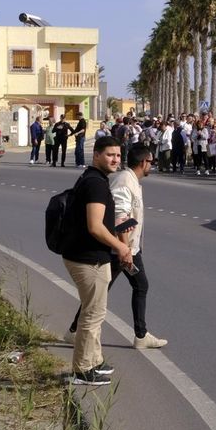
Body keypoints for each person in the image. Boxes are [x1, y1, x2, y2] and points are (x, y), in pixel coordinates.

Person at [60, 137, 132, 386]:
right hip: (88, 259)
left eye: (118, 155)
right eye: (110, 155)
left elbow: (97, 221)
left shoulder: (94, 179)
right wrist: (121, 246)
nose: (115, 160)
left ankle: (94, 361)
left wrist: (117, 225)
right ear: (97, 155)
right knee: (92, 315)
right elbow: (94, 226)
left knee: (97, 312)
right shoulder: (96, 184)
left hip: (88, 256)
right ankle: (81, 370)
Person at [105, 145, 166, 348]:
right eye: (151, 162)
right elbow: (120, 218)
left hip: (128, 248)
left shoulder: (131, 180)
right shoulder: (124, 181)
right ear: (143, 162)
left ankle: (141, 335)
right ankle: (75, 330)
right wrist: (124, 250)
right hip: (120, 249)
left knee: (139, 286)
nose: (151, 166)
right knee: (101, 292)